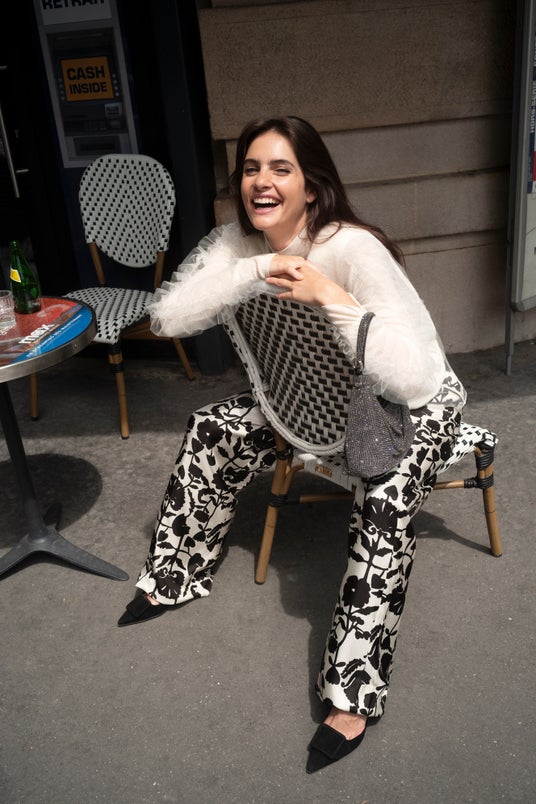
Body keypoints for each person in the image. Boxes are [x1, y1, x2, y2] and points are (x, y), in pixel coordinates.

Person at [117, 116, 466, 773]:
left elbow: (412, 375)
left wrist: (330, 293)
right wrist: (259, 266)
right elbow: (169, 318)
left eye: (281, 168)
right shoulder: (236, 242)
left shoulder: (352, 248)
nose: (262, 181)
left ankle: (352, 690)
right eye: (252, 168)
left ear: (312, 184)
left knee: (385, 503)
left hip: (408, 408)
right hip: (300, 397)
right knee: (211, 427)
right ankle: (175, 574)